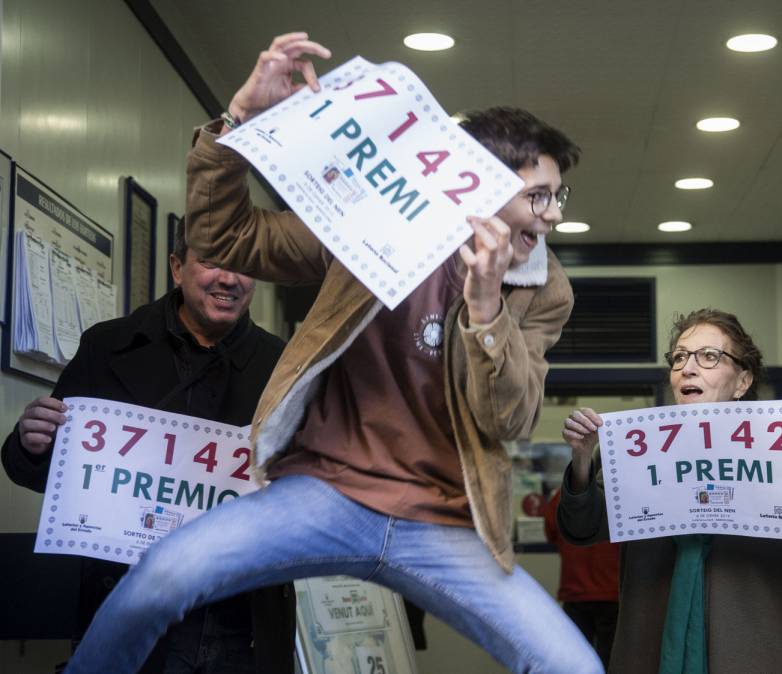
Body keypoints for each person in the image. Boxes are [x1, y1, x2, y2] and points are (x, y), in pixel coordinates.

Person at [65, 31, 601, 674]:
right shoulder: (376, 217)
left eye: (556, 197)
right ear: (478, 182)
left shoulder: (544, 287)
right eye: (537, 195)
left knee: (573, 667)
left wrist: (487, 312)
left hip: (443, 522)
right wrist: (236, 123)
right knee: (159, 579)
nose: (550, 218)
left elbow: (509, 418)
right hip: (322, 497)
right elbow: (226, 235)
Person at [1, 217, 292, 673]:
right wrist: (30, 444)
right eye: (212, 260)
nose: (229, 279)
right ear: (178, 268)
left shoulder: (285, 367)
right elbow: (47, 471)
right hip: (129, 609)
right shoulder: (108, 346)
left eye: (244, 264)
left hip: (240, 623)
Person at [558, 308, 782, 673]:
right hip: (650, 651)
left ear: (742, 381)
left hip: (754, 655)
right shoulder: (637, 449)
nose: (688, 368)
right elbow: (581, 530)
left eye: (709, 357)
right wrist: (581, 459)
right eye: (680, 358)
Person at [542, 487, 620, 668]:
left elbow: (551, 532)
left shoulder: (564, 495)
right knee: (612, 660)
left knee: (574, 661)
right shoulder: (620, 491)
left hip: (575, 592)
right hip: (612, 594)